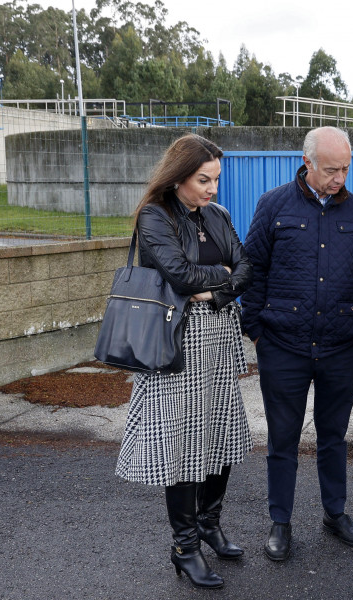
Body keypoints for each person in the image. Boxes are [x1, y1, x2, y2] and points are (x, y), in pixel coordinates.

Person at [115, 133, 253, 589]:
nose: (212, 189)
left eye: (215, 179)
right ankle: (185, 547)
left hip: (219, 340)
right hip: (177, 345)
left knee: (221, 438)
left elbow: (247, 268)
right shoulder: (155, 216)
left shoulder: (217, 215)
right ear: (178, 177)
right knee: (183, 448)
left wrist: (209, 287)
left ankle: (210, 523)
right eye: (203, 180)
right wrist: (222, 278)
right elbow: (177, 274)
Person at [241, 126, 353, 561]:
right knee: (282, 438)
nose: (339, 178)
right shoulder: (273, 205)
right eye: (331, 169)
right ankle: (279, 522)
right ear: (308, 163)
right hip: (282, 345)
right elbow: (253, 269)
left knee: (334, 435)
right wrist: (257, 330)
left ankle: (334, 514)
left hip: (343, 346)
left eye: (345, 169)